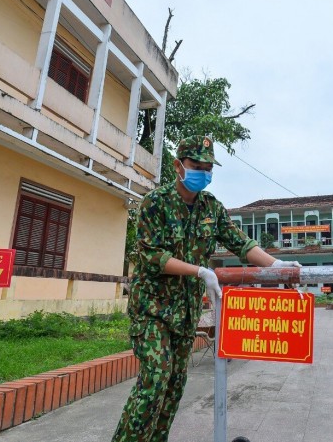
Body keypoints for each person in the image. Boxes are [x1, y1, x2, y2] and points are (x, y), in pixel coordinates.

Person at [112, 135, 301, 442]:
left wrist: (275, 264)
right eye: (196, 165)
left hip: (185, 313)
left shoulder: (211, 207)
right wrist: (200, 271)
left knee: (173, 388)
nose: (203, 172)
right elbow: (152, 256)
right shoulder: (155, 203)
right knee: (155, 381)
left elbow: (241, 242)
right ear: (178, 166)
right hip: (153, 310)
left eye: (208, 167)